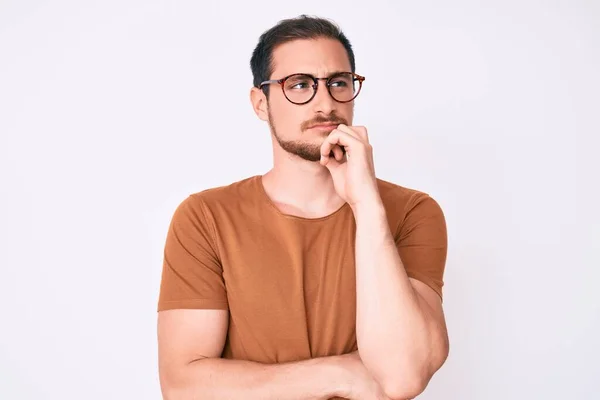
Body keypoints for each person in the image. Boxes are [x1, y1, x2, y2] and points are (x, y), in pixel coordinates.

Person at [156, 15, 449, 400]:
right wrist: (339, 372)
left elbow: (401, 377)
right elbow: (183, 386)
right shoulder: (205, 217)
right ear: (261, 103)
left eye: (338, 83)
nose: (325, 103)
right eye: (299, 85)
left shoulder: (412, 212)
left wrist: (366, 204)